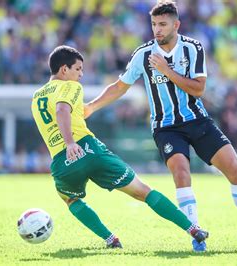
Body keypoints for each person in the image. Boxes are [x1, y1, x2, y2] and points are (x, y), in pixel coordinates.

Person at [84, 1, 237, 251]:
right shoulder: (143, 54)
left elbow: (198, 88)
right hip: (166, 128)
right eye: (154, 24)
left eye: (162, 24)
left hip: (197, 120)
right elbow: (120, 86)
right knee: (182, 174)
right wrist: (92, 106)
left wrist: (166, 70)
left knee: (236, 170)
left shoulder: (193, 48)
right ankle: (197, 237)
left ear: (176, 24)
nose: (157, 30)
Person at [31, 45, 208, 249]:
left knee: (70, 199)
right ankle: (193, 229)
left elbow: (56, 116)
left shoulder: (37, 97)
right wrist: (71, 142)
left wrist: (68, 143)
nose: (81, 74)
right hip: (87, 149)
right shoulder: (70, 87)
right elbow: (62, 110)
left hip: (62, 162)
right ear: (64, 70)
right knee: (143, 192)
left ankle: (110, 239)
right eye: (78, 69)